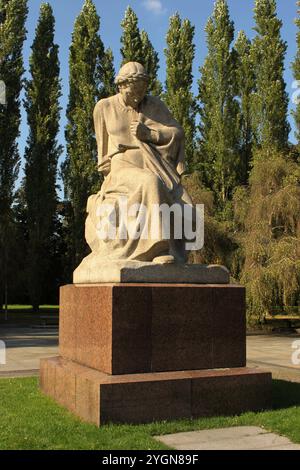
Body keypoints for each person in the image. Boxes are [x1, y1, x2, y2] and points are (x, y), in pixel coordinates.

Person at [84, 62, 194, 265]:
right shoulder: (104, 107)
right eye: (133, 92)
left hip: (155, 164)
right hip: (121, 167)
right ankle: (158, 248)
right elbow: (103, 158)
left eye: (141, 92)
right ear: (121, 86)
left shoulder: (154, 105)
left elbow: (177, 132)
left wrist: (151, 134)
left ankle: (179, 255)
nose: (137, 97)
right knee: (149, 182)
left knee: (188, 205)